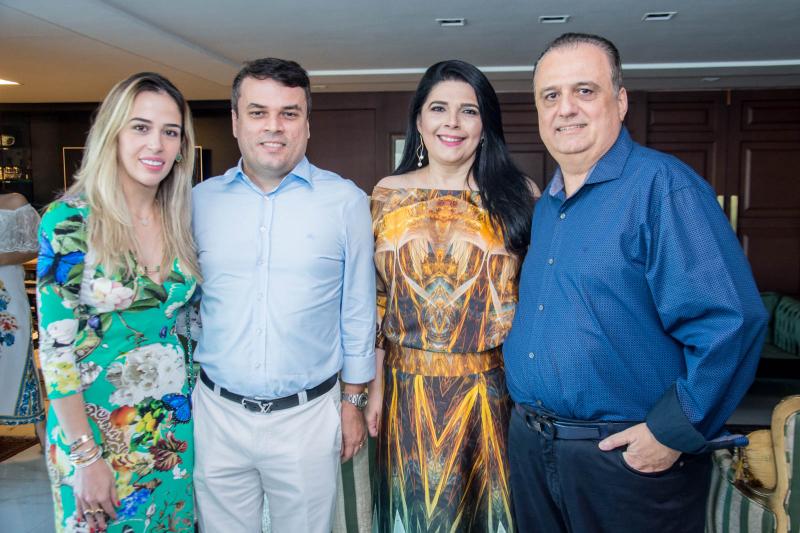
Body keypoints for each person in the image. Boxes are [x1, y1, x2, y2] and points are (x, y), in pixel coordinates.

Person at [503, 32, 768, 533]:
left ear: (620, 101)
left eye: (585, 91)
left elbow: (732, 321)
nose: (565, 108)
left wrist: (672, 430)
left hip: (624, 459)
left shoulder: (662, 187)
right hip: (533, 450)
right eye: (550, 95)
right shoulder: (546, 207)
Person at [191, 57, 376, 533]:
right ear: (236, 121)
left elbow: (358, 309)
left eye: (289, 113)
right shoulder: (197, 202)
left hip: (307, 418)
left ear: (307, 124)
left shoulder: (346, 202)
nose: (273, 126)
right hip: (217, 415)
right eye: (258, 112)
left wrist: (353, 403)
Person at [367, 60, 537, 532]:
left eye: (469, 110)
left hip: (492, 391)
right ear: (419, 120)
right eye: (439, 108)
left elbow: (536, 298)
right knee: (414, 515)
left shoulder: (519, 196)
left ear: (485, 125)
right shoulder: (386, 195)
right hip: (406, 391)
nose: (453, 122)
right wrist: (373, 387)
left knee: (491, 516)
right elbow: (377, 299)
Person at [37, 72, 199, 532]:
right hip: (95, 436)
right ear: (113, 133)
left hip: (171, 432)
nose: (156, 144)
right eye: (140, 127)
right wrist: (85, 457)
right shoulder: (70, 221)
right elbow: (56, 352)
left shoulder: (180, 218)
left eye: (170, 132)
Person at [0, 192, 45, 443]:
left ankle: (40, 426)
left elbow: (38, 244)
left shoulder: (15, 202)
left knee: (17, 352)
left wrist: (3, 258)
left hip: (7, 293)